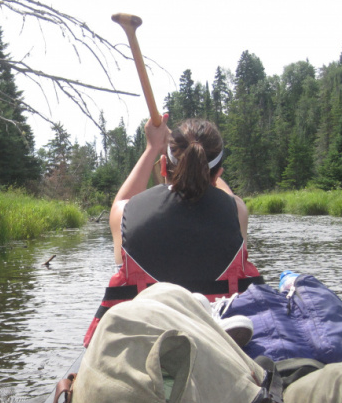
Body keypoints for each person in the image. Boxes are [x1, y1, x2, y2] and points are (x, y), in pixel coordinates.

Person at [84, 113, 263, 347]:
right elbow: (226, 198)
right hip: (217, 338)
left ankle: (178, 323)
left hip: (143, 338)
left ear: (165, 165)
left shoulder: (124, 213)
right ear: (218, 173)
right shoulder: (237, 210)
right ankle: (203, 320)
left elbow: (121, 202)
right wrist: (201, 167)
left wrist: (152, 148)